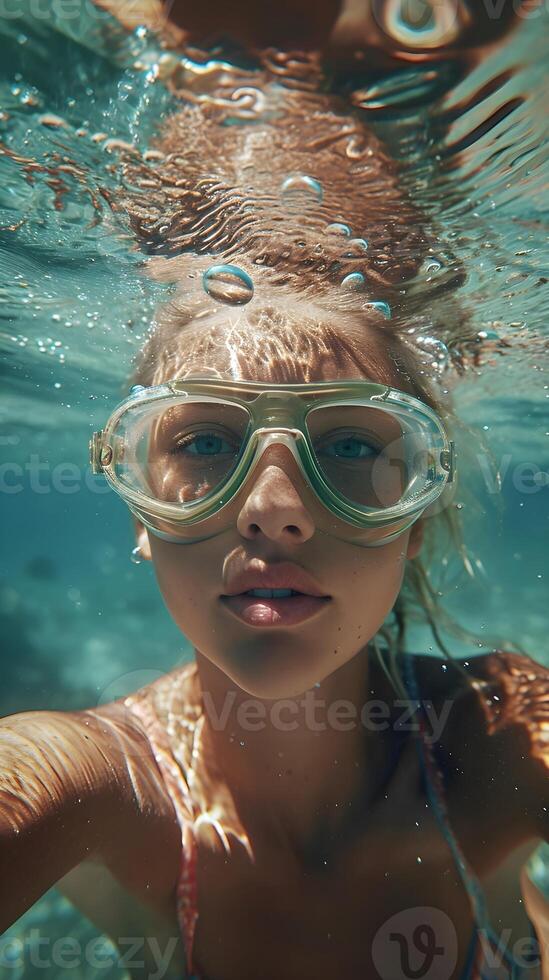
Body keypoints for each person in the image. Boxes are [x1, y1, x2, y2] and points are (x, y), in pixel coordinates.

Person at [1, 3, 548, 980]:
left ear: (417, 518)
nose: (274, 508)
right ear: (138, 501)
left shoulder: (499, 730)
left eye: (349, 444)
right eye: (205, 439)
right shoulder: (101, 783)